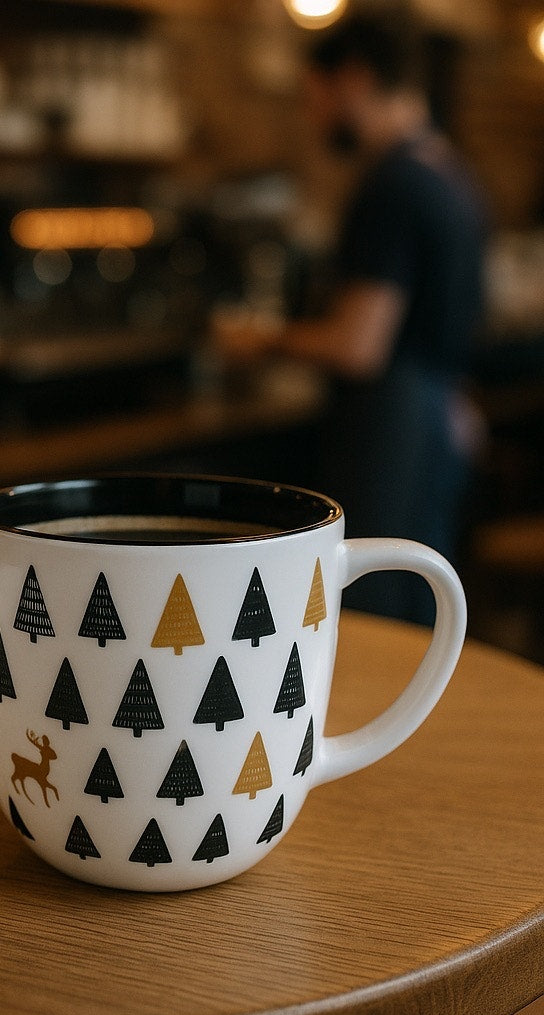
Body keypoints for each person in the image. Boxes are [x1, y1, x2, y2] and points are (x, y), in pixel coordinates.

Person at [215, 11, 487, 625]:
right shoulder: (450, 171)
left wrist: (258, 340)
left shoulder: (392, 184)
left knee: (373, 609)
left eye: (315, 100)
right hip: (442, 414)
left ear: (355, 80)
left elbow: (358, 344)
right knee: (420, 595)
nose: (314, 120)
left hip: (392, 425)